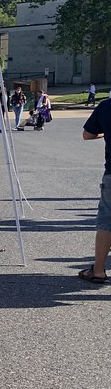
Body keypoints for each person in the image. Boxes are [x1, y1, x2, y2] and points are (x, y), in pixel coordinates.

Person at [80, 95, 111, 283]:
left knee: (106, 221)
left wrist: (104, 133)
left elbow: (87, 134)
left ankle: (98, 270)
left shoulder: (106, 106)